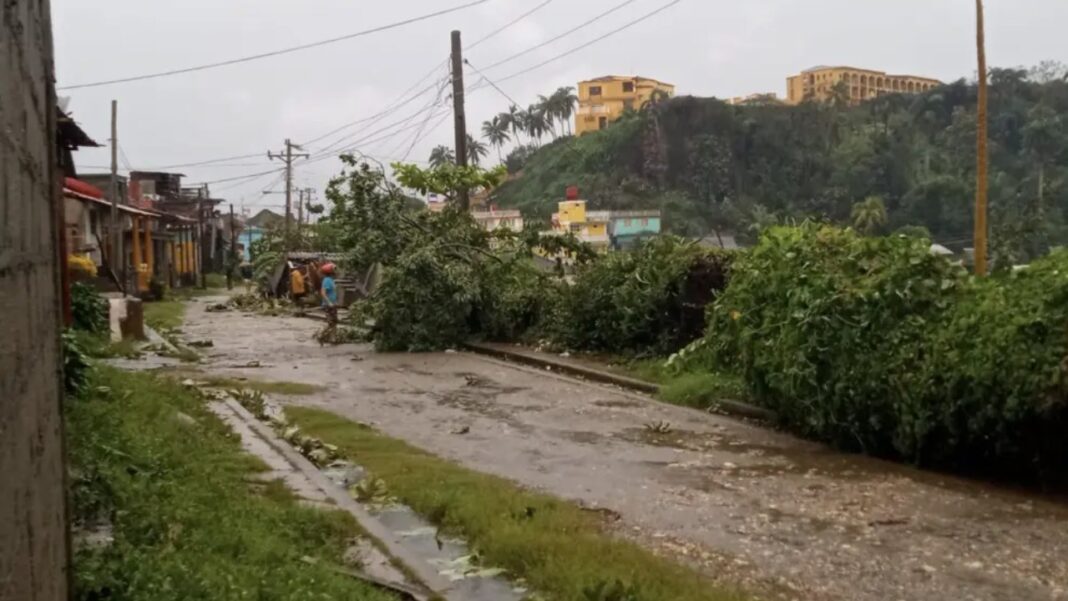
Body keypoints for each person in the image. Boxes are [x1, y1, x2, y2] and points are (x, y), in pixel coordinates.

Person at [319, 262, 338, 338]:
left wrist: (335, 302)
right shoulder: (326, 280)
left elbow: (332, 293)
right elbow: (323, 293)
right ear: (330, 272)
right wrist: (329, 302)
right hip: (328, 305)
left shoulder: (331, 280)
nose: (336, 271)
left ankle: (333, 338)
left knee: (334, 322)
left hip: (333, 304)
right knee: (331, 323)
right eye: (334, 269)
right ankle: (322, 335)